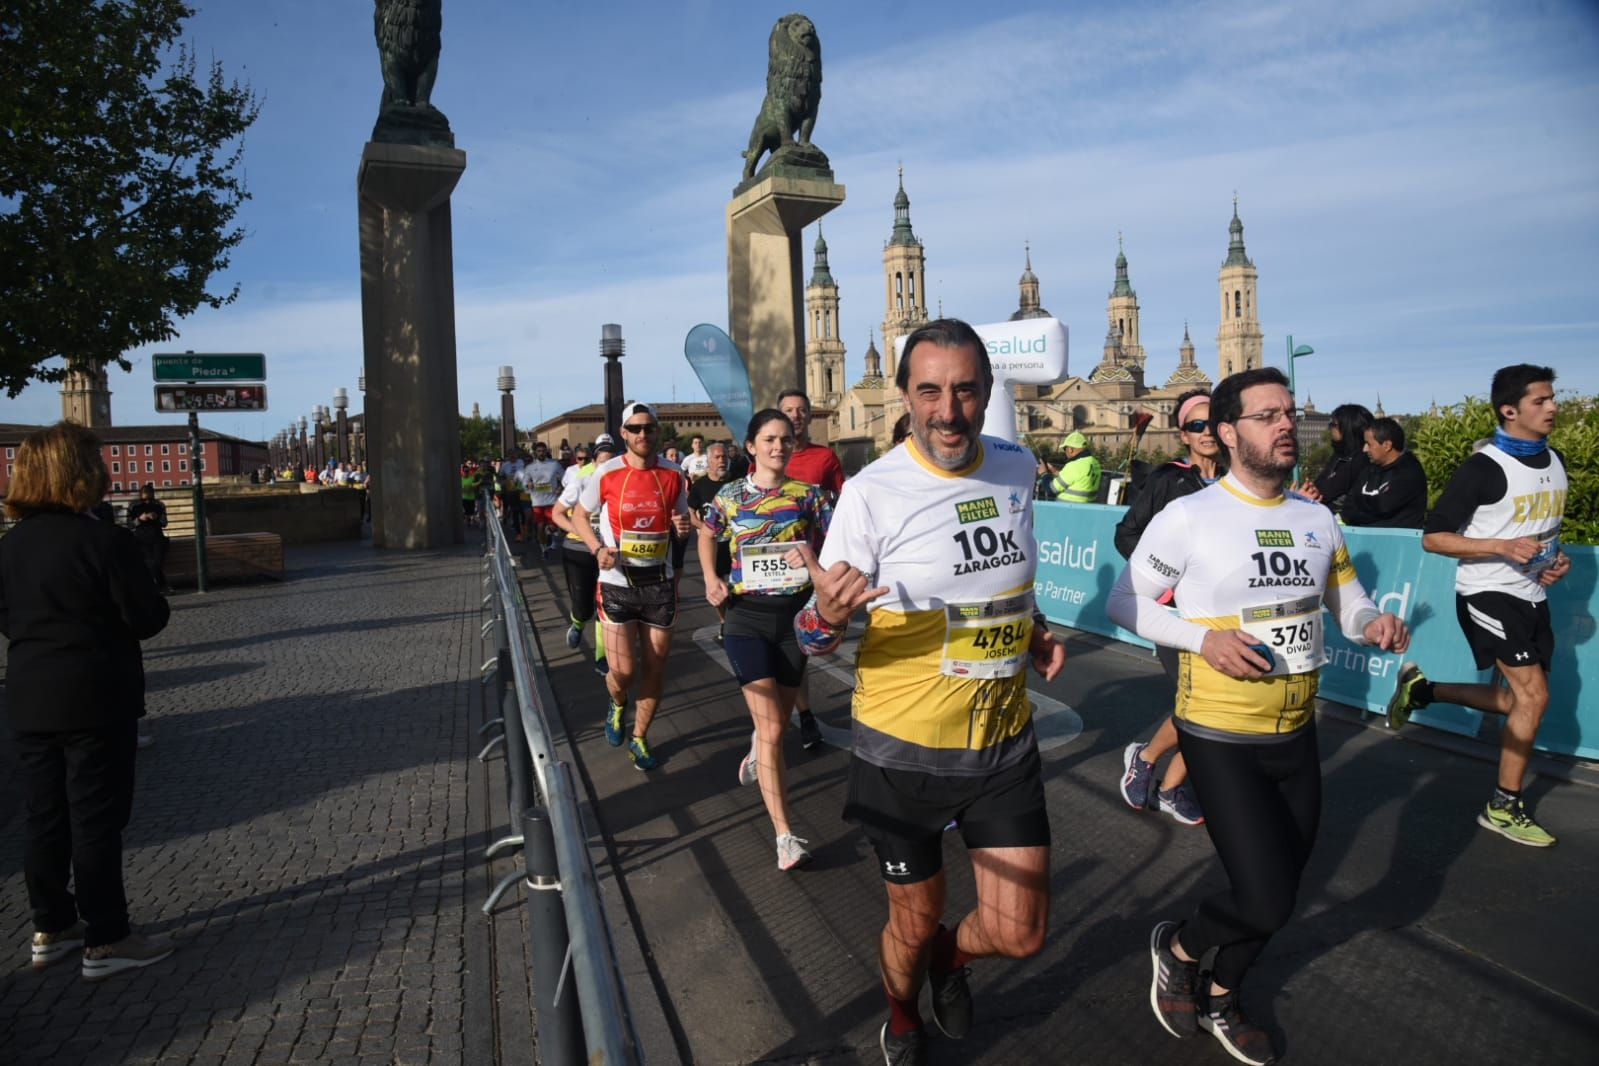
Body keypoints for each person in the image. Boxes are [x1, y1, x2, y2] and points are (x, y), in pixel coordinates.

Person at [1107, 367, 1409, 1066]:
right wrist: (1202, 637)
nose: (1284, 424)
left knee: (1279, 887)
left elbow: (1349, 601)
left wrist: (1371, 624)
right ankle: (1177, 946)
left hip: (1297, 731)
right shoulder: (1188, 516)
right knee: (1266, 897)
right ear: (1226, 431)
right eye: (1266, 414)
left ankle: (1221, 990)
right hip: (1219, 733)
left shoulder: (1316, 518)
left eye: (1286, 413)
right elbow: (1124, 604)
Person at [791, 319, 1066, 1065]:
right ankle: (901, 1014)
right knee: (910, 924)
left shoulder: (1016, 466)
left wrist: (1032, 628)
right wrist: (824, 618)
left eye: (965, 390)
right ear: (906, 396)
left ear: (985, 392)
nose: (948, 411)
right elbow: (812, 638)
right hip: (902, 750)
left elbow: (1007, 570)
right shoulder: (874, 492)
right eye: (929, 391)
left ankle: (950, 960)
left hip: (1002, 742)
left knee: (1018, 931)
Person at [1, 423, 175, 980]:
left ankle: (51, 926)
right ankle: (108, 937)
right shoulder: (104, 541)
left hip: (29, 695)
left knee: (43, 816)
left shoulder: (9, 546)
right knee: (96, 819)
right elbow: (147, 618)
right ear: (80, 474)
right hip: (96, 697)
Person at [1388, 364, 1570, 847]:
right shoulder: (1483, 468)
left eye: (1553, 398)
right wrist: (1501, 547)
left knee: (1515, 702)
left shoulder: (1556, 461)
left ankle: (1424, 691)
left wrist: (1554, 561)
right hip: (1488, 590)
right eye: (1541, 401)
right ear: (1510, 410)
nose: (1553, 407)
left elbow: (1542, 532)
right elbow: (1433, 538)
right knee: (1535, 698)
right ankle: (1503, 806)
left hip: (1532, 592)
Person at [701, 411, 831, 869]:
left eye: (786, 439)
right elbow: (707, 532)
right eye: (770, 439)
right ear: (751, 446)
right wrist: (709, 575)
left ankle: (759, 749)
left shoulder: (810, 497)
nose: (779, 446)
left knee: (775, 720)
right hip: (745, 620)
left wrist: (815, 562)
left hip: (795, 620)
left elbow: (834, 545)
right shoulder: (730, 496)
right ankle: (784, 836)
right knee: (775, 728)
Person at [1110, 389, 1222, 826]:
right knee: (1202, 705)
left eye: (1214, 423)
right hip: (1176, 615)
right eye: (1197, 425)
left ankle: (1170, 785)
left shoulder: (1238, 482)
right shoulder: (1167, 481)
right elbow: (1127, 535)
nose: (1207, 431)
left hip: (1224, 616)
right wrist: (1167, 579)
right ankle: (1148, 758)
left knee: (1215, 708)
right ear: (1183, 435)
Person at [573, 404, 693, 771]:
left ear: (658, 431)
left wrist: (682, 526)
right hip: (617, 584)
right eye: (635, 428)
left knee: (656, 668)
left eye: (649, 428)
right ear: (624, 433)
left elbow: (681, 518)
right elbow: (579, 515)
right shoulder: (607, 472)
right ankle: (618, 701)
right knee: (623, 671)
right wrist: (597, 549)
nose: (643, 434)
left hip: (659, 585)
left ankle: (639, 737)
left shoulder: (675, 474)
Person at [777, 388, 846, 751]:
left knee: (797, 647)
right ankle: (779, 715)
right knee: (771, 648)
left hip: (812, 566)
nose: (797, 415)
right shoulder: (764, 458)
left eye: (802, 410)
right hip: (767, 571)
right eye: (789, 410)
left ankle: (804, 716)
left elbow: (845, 505)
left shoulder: (825, 458)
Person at [552, 439, 613, 675]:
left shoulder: (620, 482)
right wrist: (582, 532)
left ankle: (602, 657)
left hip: (607, 553)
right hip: (578, 551)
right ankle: (577, 622)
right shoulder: (582, 481)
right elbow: (557, 514)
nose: (607, 467)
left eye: (612, 461)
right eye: (603, 462)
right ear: (595, 461)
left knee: (604, 604)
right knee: (583, 605)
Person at [1340, 416, 1427, 529]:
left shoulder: (1410, 471)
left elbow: (1384, 506)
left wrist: (1360, 505)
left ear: (1387, 445)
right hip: (1365, 542)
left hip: (1399, 543)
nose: (1365, 449)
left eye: (1369, 444)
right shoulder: (1369, 470)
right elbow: (1347, 510)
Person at [687, 441, 734, 640]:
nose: (721, 461)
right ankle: (724, 621)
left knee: (737, 586)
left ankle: (739, 622)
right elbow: (690, 515)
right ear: (708, 461)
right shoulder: (700, 486)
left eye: (724, 457)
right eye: (717, 457)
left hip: (735, 544)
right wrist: (707, 530)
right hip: (712, 545)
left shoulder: (737, 483)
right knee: (717, 587)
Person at [1310, 403, 1373, 516]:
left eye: (1333, 424)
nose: (1329, 428)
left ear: (1348, 428)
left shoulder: (1360, 460)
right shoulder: (1339, 455)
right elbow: (1318, 485)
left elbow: (1325, 490)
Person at [520, 442, 566, 558]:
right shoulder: (530, 467)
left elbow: (566, 478)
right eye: (539, 451)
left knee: (553, 527)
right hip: (537, 501)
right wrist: (528, 484)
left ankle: (549, 533)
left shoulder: (554, 464)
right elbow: (524, 484)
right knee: (540, 526)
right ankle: (543, 547)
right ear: (535, 452)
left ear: (546, 451)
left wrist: (560, 487)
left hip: (552, 501)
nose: (541, 453)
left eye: (543, 451)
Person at [125, 483, 172, 594]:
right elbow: (129, 525)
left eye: (149, 498)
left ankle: (159, 586)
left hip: (157, 537)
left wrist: (156, 518)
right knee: (148, 563)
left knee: (157, 562)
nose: (147, 501)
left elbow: (164, 523)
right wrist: (140, 519)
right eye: (145, 498)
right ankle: (161, 586)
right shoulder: (133, 506)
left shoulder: (159, 505)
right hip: (141, 538)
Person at [1049, 431, 1100, 503]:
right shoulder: (1095, 463)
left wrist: (1044, 474)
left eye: (1064, 449)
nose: (1065, 452)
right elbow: (1078, 478)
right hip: (1087, 508)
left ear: (1070, 449)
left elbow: (1052, 489)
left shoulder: (1074, 465)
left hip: (1066, 510)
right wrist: (1054, 471)